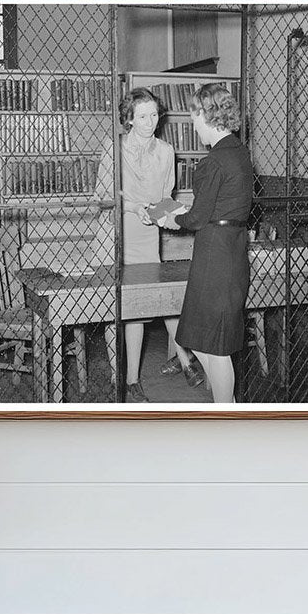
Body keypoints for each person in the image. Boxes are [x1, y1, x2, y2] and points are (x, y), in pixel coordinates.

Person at [94, 88, 201, 402]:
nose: (150, 121)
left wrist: (159, 212)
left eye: (154, 114)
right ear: (128, 118)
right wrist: (132, 207)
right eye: (142, 115)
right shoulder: (113, 148)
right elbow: (103, 196)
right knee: (119, 310)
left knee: (145, 305)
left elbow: (166, 197)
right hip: (114, 235)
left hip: (145, 236)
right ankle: (125, 380)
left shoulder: (167, 151)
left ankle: (147, 373)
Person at [161, 83, 254, 403]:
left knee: (209, 343)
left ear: (207, 115)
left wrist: (168, 218)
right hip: (232, 247)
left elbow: (197, 218)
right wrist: (186, 213)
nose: (193, 124)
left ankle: (226, 411)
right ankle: (226, 407)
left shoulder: (212, 162)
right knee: (211, 341)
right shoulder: (239, 153)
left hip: (214, 254)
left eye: (194, 117)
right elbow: (216, 208)